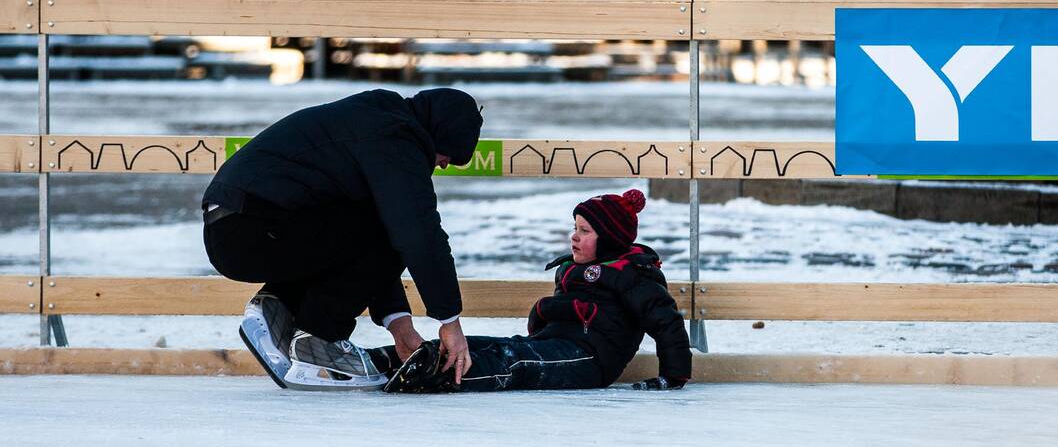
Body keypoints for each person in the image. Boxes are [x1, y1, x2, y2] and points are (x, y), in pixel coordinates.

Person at [201, 88, 483, 390]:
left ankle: (279, 305)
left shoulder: (378, 118)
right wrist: (450, 323)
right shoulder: (396, 137)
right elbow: (420, 235)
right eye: (448, 155)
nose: (443, 164)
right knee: (401, 225)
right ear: (440, 133)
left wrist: (400, 329)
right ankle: (318, 339)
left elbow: (365, 243)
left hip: (232, 227)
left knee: (379, 221)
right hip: (256, 226)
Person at [375, 188, 692, 393]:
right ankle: (393, 359)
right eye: (575, 228)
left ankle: (438, 376)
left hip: (590, 361)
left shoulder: (633, 274)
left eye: (585, 231)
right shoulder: (573, 267)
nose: (574, 237)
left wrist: (673, 376)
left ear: (609, 239)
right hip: (553, 344)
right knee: (481, 345)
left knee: (514, 361)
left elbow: (666, 322)